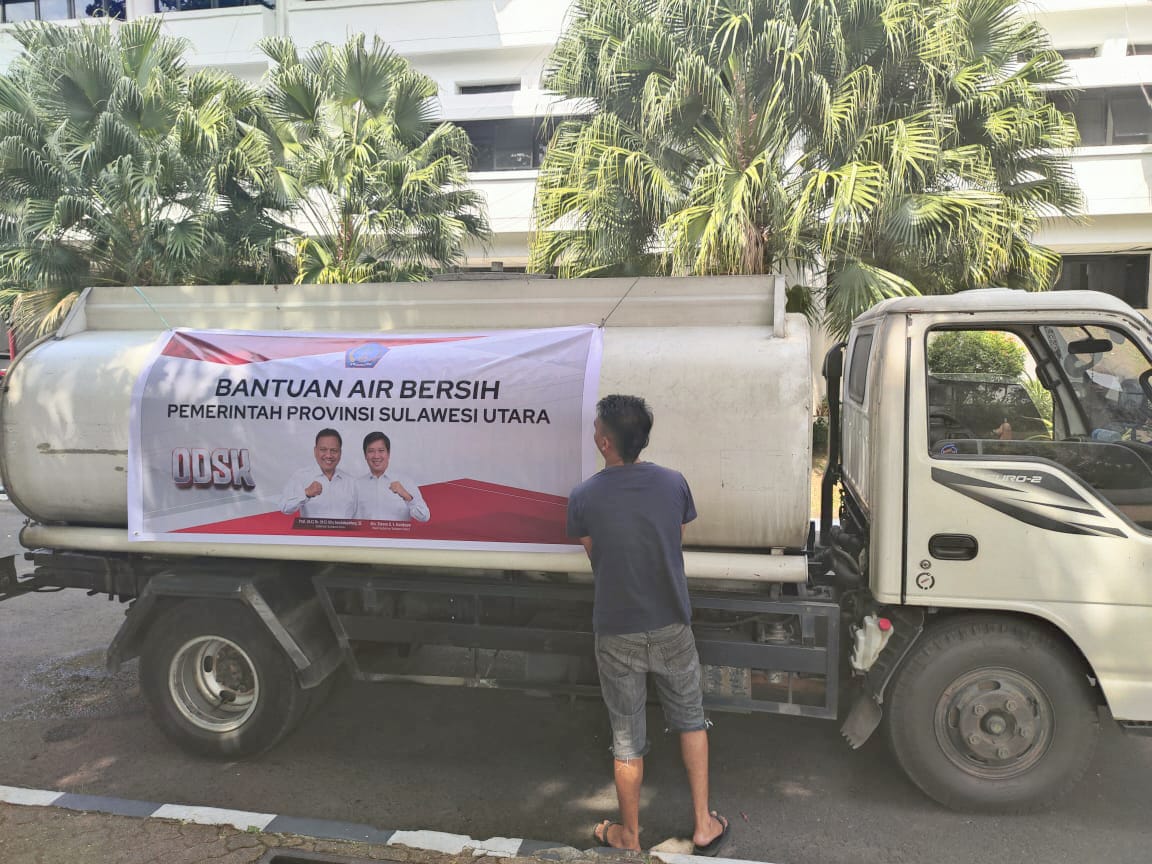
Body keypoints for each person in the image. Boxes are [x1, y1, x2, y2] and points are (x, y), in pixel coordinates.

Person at [566, 394, 729, 856]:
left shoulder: (583, 496)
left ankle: (629, 835)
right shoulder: (674, 484)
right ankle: (703, 825)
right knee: (691, 721)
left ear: (604, 441)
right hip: (672, 623)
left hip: (616, 629)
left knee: (626, 737)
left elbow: (595, 552)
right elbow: (672, 539)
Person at [279, 428, 359, 518]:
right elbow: (284, 507)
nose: (328, 455)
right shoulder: (301, 476)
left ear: (340, 453)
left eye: (334, 450)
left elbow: (359, 518)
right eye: (323, 450)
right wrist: (306, 493)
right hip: (310, 532)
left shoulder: (352, 482)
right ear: (315, 451)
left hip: (345, 532)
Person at [354, 431, 431, 522]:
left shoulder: (406, 482)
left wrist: (407, 496)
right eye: (371, 451)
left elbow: (424, 517)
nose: (376, 456)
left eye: (381, 451)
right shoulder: (356, 485)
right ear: (365, 455)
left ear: (388, 453)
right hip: (365, 536)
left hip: (397, 536)